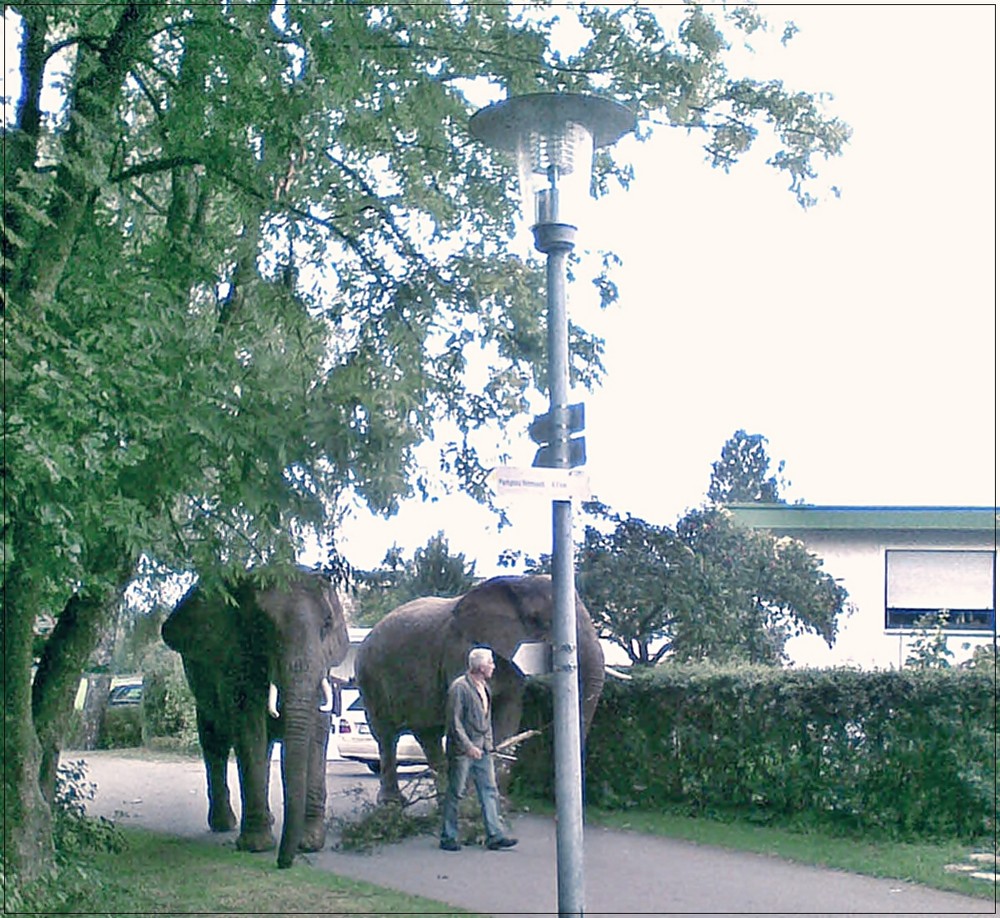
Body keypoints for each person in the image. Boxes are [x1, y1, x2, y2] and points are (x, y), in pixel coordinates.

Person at [439, 647, 518, 851]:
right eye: (491, 663)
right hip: (461, 751)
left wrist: (488, 746)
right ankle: (448, 836)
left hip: (483, 749)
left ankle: (495, 835)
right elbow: (454, 722)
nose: (493, 666)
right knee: (456, 792)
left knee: (489, 790)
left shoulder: (485, 687)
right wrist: (468, 747)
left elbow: (486, 720)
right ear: (481, 666)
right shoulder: (459, 688)